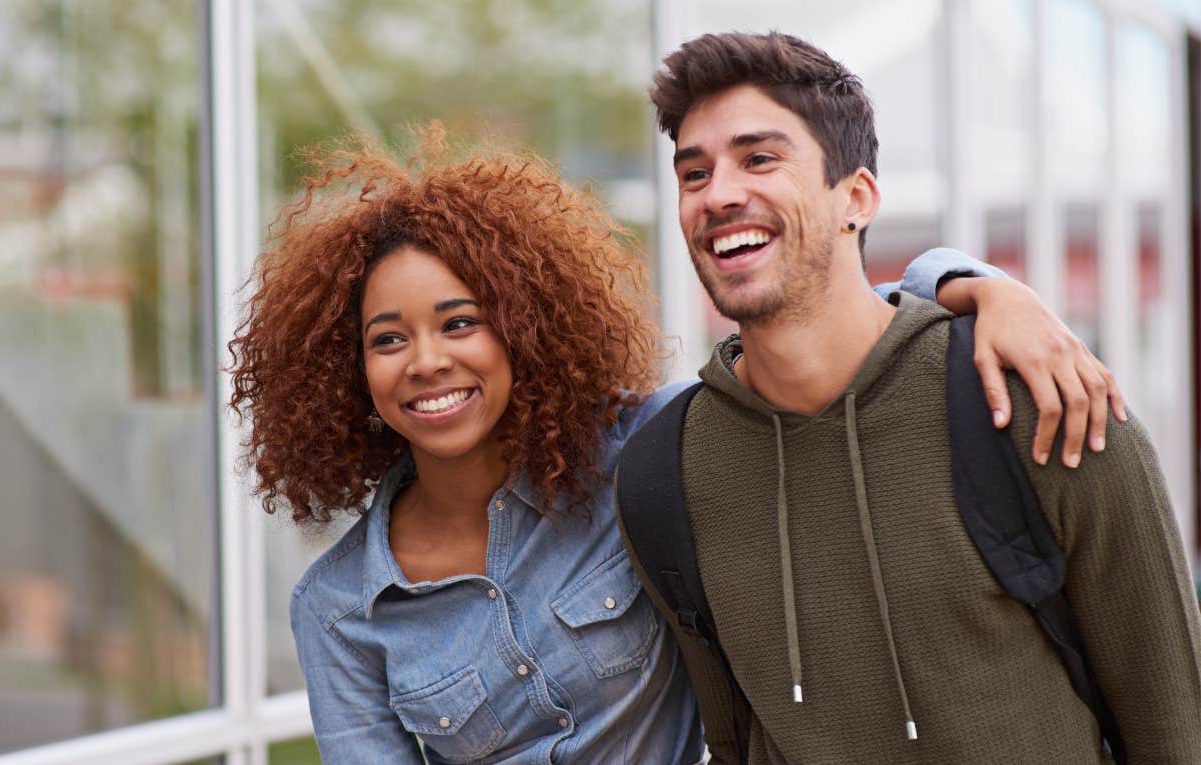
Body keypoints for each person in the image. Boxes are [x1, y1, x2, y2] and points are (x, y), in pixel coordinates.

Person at [227, 127, 1119, 764]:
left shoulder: (641, 454)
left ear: (523, 332)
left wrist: (975, 287)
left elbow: (819, 332)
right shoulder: (339, 606)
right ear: (348, 372)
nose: (426, 361)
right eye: (388, 339)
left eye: (460, 322)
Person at [619, 30, 1201, 763]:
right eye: (693, 174)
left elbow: (1176, 729)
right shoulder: (663, 472)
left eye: (759, 158)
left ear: (856, 197)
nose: (720, 194)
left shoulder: (1039, 403)